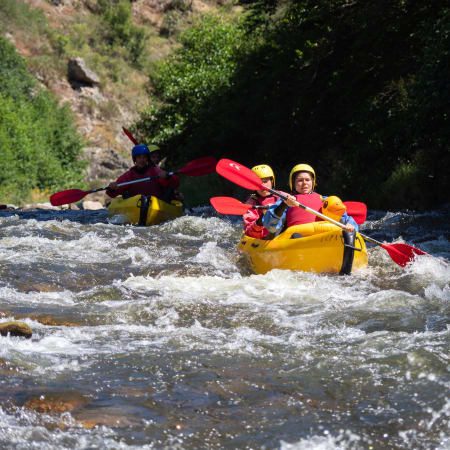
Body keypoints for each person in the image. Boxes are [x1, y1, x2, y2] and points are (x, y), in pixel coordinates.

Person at [262, 163, 358, 236]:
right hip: (296, 238)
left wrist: (350, 225)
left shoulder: (324, 200)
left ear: (313, 182)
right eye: (300, 180)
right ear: (293, 183)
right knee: (296, 236)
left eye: (307, 180)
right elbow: (270, 227)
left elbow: (346, 219)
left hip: (322, 237)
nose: (304, 183)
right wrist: (283, 205)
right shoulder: (285, 201)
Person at [106, 144, 183, 202]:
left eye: (144, 157)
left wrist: (168, 177)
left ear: (147, 159)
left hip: (156, 204)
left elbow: (176, 183)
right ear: (135, 159)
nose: (142, 160)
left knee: (169, 190)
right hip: (136, 205)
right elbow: (111, 194)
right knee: (126, 195)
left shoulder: (155, 171)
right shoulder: (129, 175)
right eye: (139, 157)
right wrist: (112, 188)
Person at [243, 164, 279, 239]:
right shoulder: (251, 203)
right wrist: (263, 215)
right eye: (258, 183)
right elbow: (250, 232)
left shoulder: (282, 195)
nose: (262, 186)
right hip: (262, 238)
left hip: (282, 234)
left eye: (265, 181)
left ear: (272, 182)